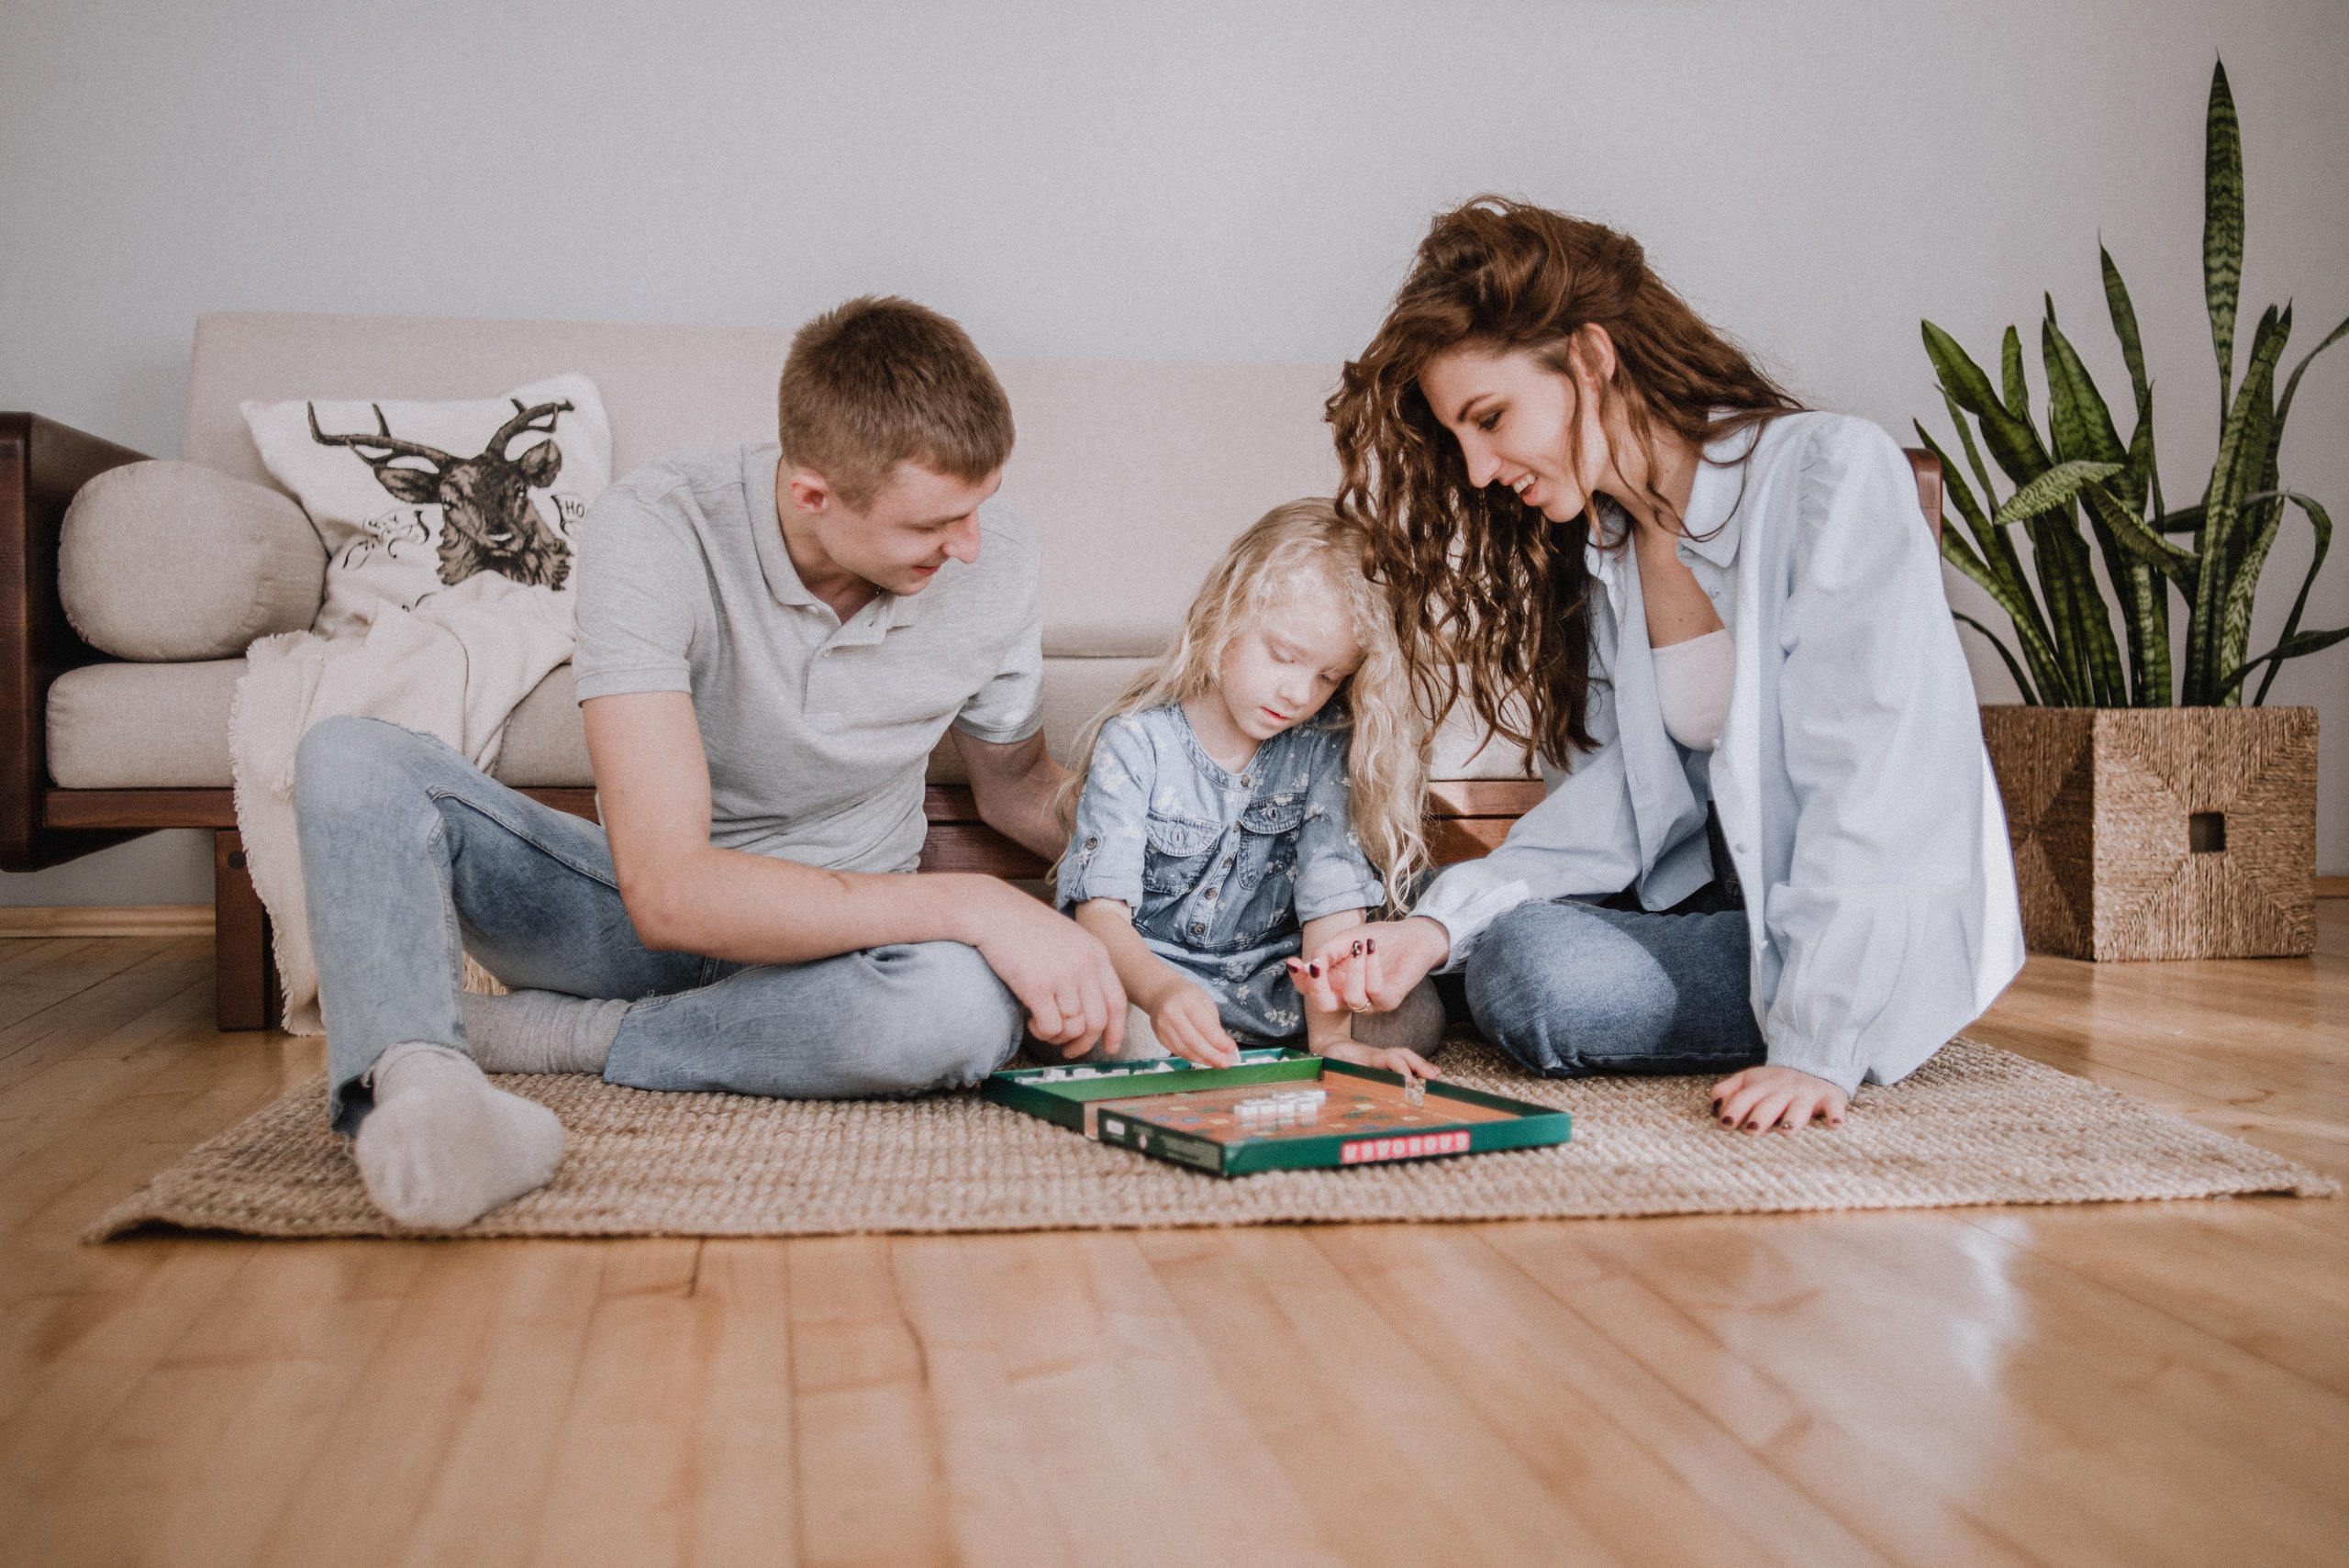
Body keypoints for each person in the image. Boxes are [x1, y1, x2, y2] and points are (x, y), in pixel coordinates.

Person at [294, 296, 1126, 1227]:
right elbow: (668, 892)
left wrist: (1186, 859)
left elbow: (1017, 787)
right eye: (934, 523)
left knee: (960, 1009)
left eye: (980, 506)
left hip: (839, 962)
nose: (968, 545)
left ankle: (549, 1036)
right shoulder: (657, 528)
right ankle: (428, 1090)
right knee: (347, 753)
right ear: (812, 495)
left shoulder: (998, 563)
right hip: (627, 920)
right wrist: (977, 905)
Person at [1300, 197, 2024, 1134]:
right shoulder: (1608, 550)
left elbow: (1869, 790)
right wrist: (1439, 925)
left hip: (1854, 923)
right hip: (1720, 904)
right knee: (1477, 941)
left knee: (1533, 976)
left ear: (1590, 358)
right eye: (1460, 440)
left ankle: (1832, 1005)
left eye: (1491, 418)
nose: (1477, 470)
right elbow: (1625, 799)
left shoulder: (1831, 475)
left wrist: (1816, 1044)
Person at [1057, 499, 1446, 1078]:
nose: (1299, 694)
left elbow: (1331, 899)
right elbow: (1101, 914)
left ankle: (1256, 1041)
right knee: (1100, 1023)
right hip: (1151, 976)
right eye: (1284, 657)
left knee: (1413, 1015)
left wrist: (1332, 1040)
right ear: (1223, 616)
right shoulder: (1136, 742)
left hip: (1274, 982)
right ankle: (1188, 1032)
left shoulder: (1322, 746)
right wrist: (1162, 994)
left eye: (1327, 676)